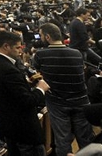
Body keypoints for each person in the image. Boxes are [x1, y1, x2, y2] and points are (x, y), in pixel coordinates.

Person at [31, 23, 94, 156]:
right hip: (81, 100)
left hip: (57, 103)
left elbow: (35, 74)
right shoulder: (76, 53)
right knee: (86, 140)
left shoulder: (41, 55)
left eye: (41, 35)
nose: (40, 38)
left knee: (63, 141)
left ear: (47, 37)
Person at [0, 30, 50, 156]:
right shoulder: (8, 69)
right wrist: (41, 89)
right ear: (6, 46)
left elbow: (8, 92)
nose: (20, 51)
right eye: (17, 47)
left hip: (9, 128)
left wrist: (25, 84)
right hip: (24, 130)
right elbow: (27, 101)